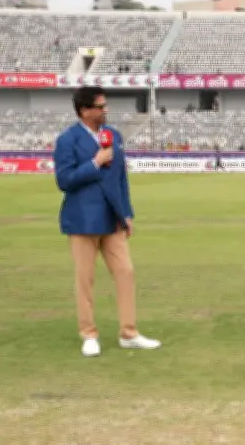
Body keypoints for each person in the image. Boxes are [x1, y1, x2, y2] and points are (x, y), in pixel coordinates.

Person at [53, 86, 161, 357]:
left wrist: (127, 213)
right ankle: (88, 334)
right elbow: (64, 180)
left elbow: (121, 178)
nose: (106, 110)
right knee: (85, 279)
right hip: (83, 220)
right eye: (100, 107)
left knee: (126, 272)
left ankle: (129, 333)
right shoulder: (67, 140)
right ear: (84, 110)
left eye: (105, 105)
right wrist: (95, 163)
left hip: (112, 219)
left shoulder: (113, 135)